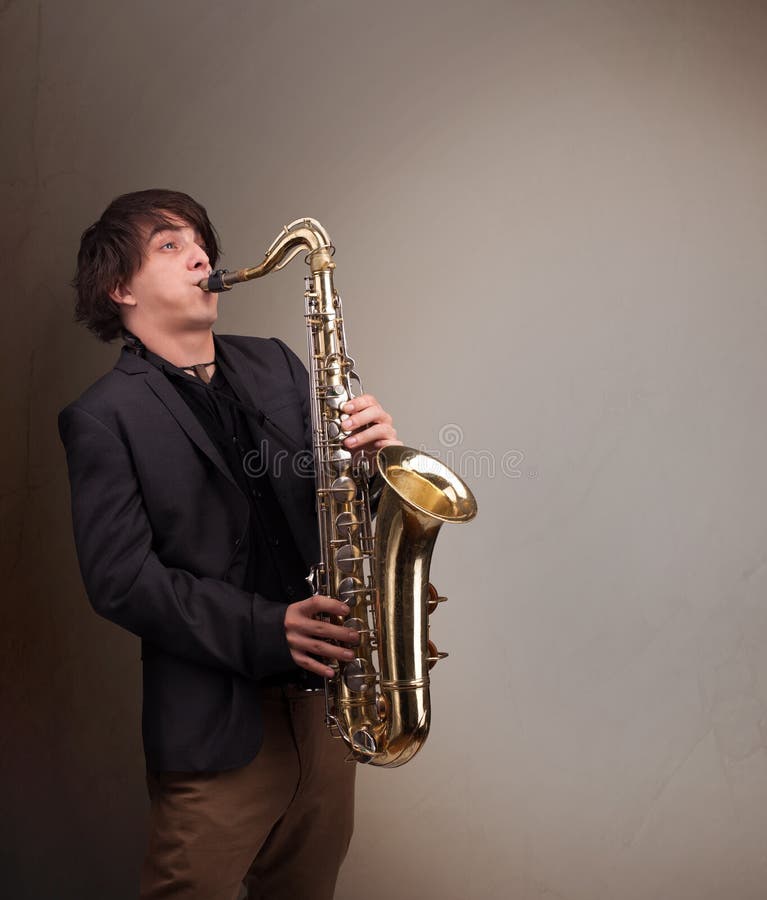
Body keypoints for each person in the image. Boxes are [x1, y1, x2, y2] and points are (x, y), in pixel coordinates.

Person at [58, 189, 400, 900]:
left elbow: (329, 508)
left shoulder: (276, 366)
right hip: (219, 737)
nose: (201, 255)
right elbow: (120, 579)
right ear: (120, 287)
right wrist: (266, 628)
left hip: (330, 711)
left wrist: (371, 465)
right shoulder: (101, 418)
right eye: (168, 245)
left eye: (199, 240)